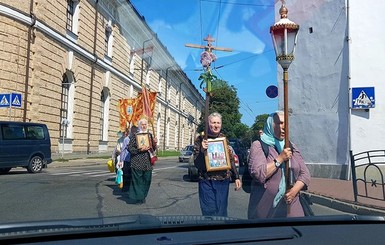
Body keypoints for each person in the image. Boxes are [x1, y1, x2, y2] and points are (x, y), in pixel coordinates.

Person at [247, 111, 311, 219]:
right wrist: (280, 159)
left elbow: (305, 174)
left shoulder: (291, 146)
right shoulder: (259, 145)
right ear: (270, 125)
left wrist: (294, 191)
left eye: (286, 124)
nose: (284, 127)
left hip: (292, 206)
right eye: (280, 123)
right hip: (266, 208)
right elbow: (258, 173)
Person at [193, 112, 241, 216]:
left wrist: (236, 176)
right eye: (213, 122)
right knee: (209, 211)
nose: (216, 125)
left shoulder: (224, 139)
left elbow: (230, 158)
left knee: (221, 210)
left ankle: (221, 230)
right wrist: (202, 150)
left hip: (223, 180)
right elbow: (197, 163)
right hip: (206, 180)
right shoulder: (201, 139)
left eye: (218, 123)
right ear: (208, 124)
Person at [127, 118, 157, 204]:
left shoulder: (149, 135)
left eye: (145, 124)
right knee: (138, 181)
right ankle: (139, 198)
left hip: (147, 163)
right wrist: (139, 149)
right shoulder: (135, 135)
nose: (144, 126)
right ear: (139, 125)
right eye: (142, 124)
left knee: (147, 180)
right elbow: (130, 148)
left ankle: (143, 195)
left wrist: (155, 143)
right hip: (137, 162)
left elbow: (153, 149)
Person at [119, 126, 137, 192]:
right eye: (133, 130)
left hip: (135, 160)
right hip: (127, 159)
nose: (134, 131)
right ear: (131, 130)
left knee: (133, 175)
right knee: (126, 174)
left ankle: (131, 188)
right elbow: (123, 150)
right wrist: (121, 160)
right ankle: (125, 188)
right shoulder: (127, 139)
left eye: (136, 130)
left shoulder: (138, 139)